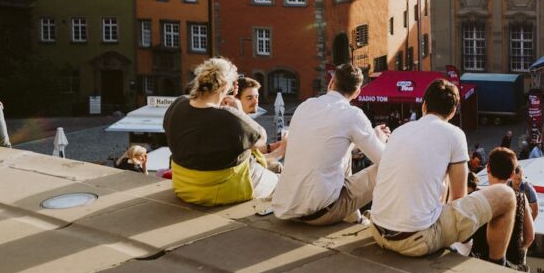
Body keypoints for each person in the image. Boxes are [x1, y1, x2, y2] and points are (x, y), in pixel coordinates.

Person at [370, 80, 517, 263]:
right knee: (507, 196)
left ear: (424, 105)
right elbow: (459, 198)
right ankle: (497, 265)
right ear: (453, 112)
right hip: (414, 240)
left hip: (378, 230)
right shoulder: (454, 134)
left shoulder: (400, 130)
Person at [272, 64, 389, 225]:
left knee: (344, 153)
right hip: (321, 213)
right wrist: (380, 140)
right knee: (388, 167)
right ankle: (389, 219)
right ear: (357, 93)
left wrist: (366, 139)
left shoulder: (305, 106)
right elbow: (385, 160)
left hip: (287, 208)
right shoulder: (352, 114)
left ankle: (355, 219)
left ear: (331, 83)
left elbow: (328, 144)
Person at [164, 58, 276, 206]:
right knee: (280, 184)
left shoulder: (178, 104)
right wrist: (238, 109)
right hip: (223, 190)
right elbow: (261, 138)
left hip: (184, 187)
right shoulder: (229, 118)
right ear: (225, 85)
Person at [478, 148, 533, 268]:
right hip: (513, 263)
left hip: (482, 263)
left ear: (488, 168)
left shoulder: (479, 197)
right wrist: (519, 250)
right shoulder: (521, 198)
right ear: (512, 174)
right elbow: (530, 236)